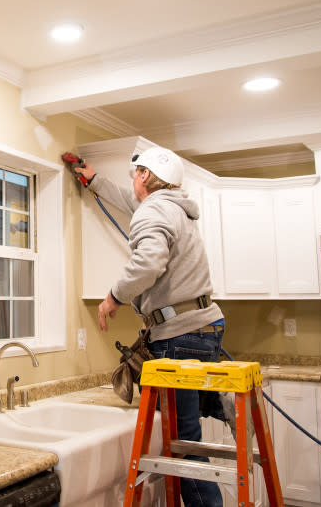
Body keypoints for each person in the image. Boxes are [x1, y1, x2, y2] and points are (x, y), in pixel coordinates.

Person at [74, 146, 225, 507]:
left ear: (144, 176)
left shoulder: (154, 211)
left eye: (135, 174)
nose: (133, 181)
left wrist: (113, 296)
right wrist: (95, 181)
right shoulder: (172, 207)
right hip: (206, 327)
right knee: (189, 430)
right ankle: (221, 404)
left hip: (179, 334)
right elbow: (131, 202)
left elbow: (148, 263)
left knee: (182, 440)